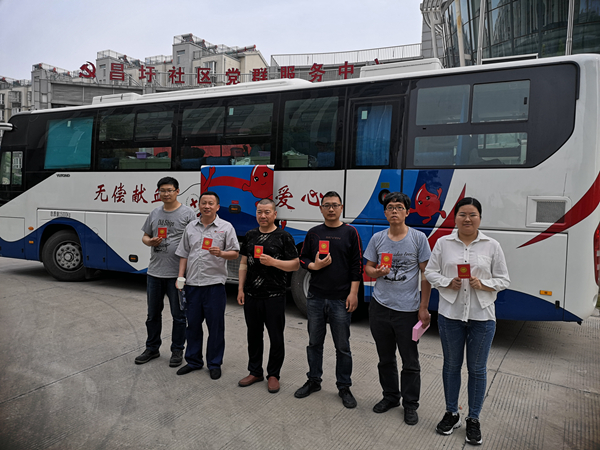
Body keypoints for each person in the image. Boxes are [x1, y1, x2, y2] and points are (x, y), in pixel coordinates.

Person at [425, 197, 510, 446]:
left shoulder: (492, 245)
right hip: (450, 316)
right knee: (451, 366)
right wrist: (446, 282)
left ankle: (473, 418)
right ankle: (452, 413)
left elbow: (504, 280)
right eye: (462, 214)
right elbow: (430, 272)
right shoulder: (443, 243)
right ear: (455, 218)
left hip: (482, 317)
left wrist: (484, 284)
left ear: (480, 218)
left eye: (472, 214)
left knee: (477, 369)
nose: (467, 219)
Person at [363, 192, 432, 426]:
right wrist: (376, 272)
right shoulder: (378, 238)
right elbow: (368, 268)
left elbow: (426, 275)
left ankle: (410, 405)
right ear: (385, 213)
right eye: (390, 207)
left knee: (410, 360)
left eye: (399, 207)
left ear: (407, 212)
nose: (394, 211)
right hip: (380, 307)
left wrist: (423, 307)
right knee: (385, 358)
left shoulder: (418, 238)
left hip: (408, 311)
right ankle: (390, 397)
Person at [294, 191, 363, 409]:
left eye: (335, 205)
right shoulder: (314, 233)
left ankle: (344, 386)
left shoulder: (350, 232)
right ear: (321, 208)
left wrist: (353, 293)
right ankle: (314, 380)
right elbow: (302, 258)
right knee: (314, 343)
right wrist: (313, 266)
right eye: (327, 205)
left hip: (340, 299)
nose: (331, 209)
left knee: (342, 346)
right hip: (315, 297)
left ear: (341, 208)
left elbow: (357, 265)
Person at [175, 191, 240, 380]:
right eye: (203, 203)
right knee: (193, 325)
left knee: (216, 327)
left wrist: (221, 253)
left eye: (211, 203)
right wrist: (180, 277)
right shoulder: (190, 227)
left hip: (214, 286)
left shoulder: (226, 227)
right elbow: (184, 253)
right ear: (199, 205)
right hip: (193, 285)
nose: (207, 206)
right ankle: (193, 361)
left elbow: (235, 253)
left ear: (217, 207)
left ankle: (214, 363)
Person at [237, 199, 299, 394]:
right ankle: (255, 371)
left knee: (276, 337)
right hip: (252, 295)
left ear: (274, 214)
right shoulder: (250, 235)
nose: (262, 216)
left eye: (266, 212)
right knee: (253, 335)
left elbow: (295, 264)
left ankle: (273, 374)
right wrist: (240, 288)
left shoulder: (284, 236)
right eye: (259, 212)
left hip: (275, 295)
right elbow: (244, 263)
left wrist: (274, 262)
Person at [135, 177, 196, 367]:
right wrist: (150, 242)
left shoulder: (188, 213)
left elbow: (195, 239)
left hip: (177, 275)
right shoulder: (155, 213)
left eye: (169, 190)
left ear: (177, 191)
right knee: (153, 314)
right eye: (162, 190)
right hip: (155, 273)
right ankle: (152, 348)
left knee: (179, 315)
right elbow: (145, 236)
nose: (166, 194)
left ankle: (177, 350)